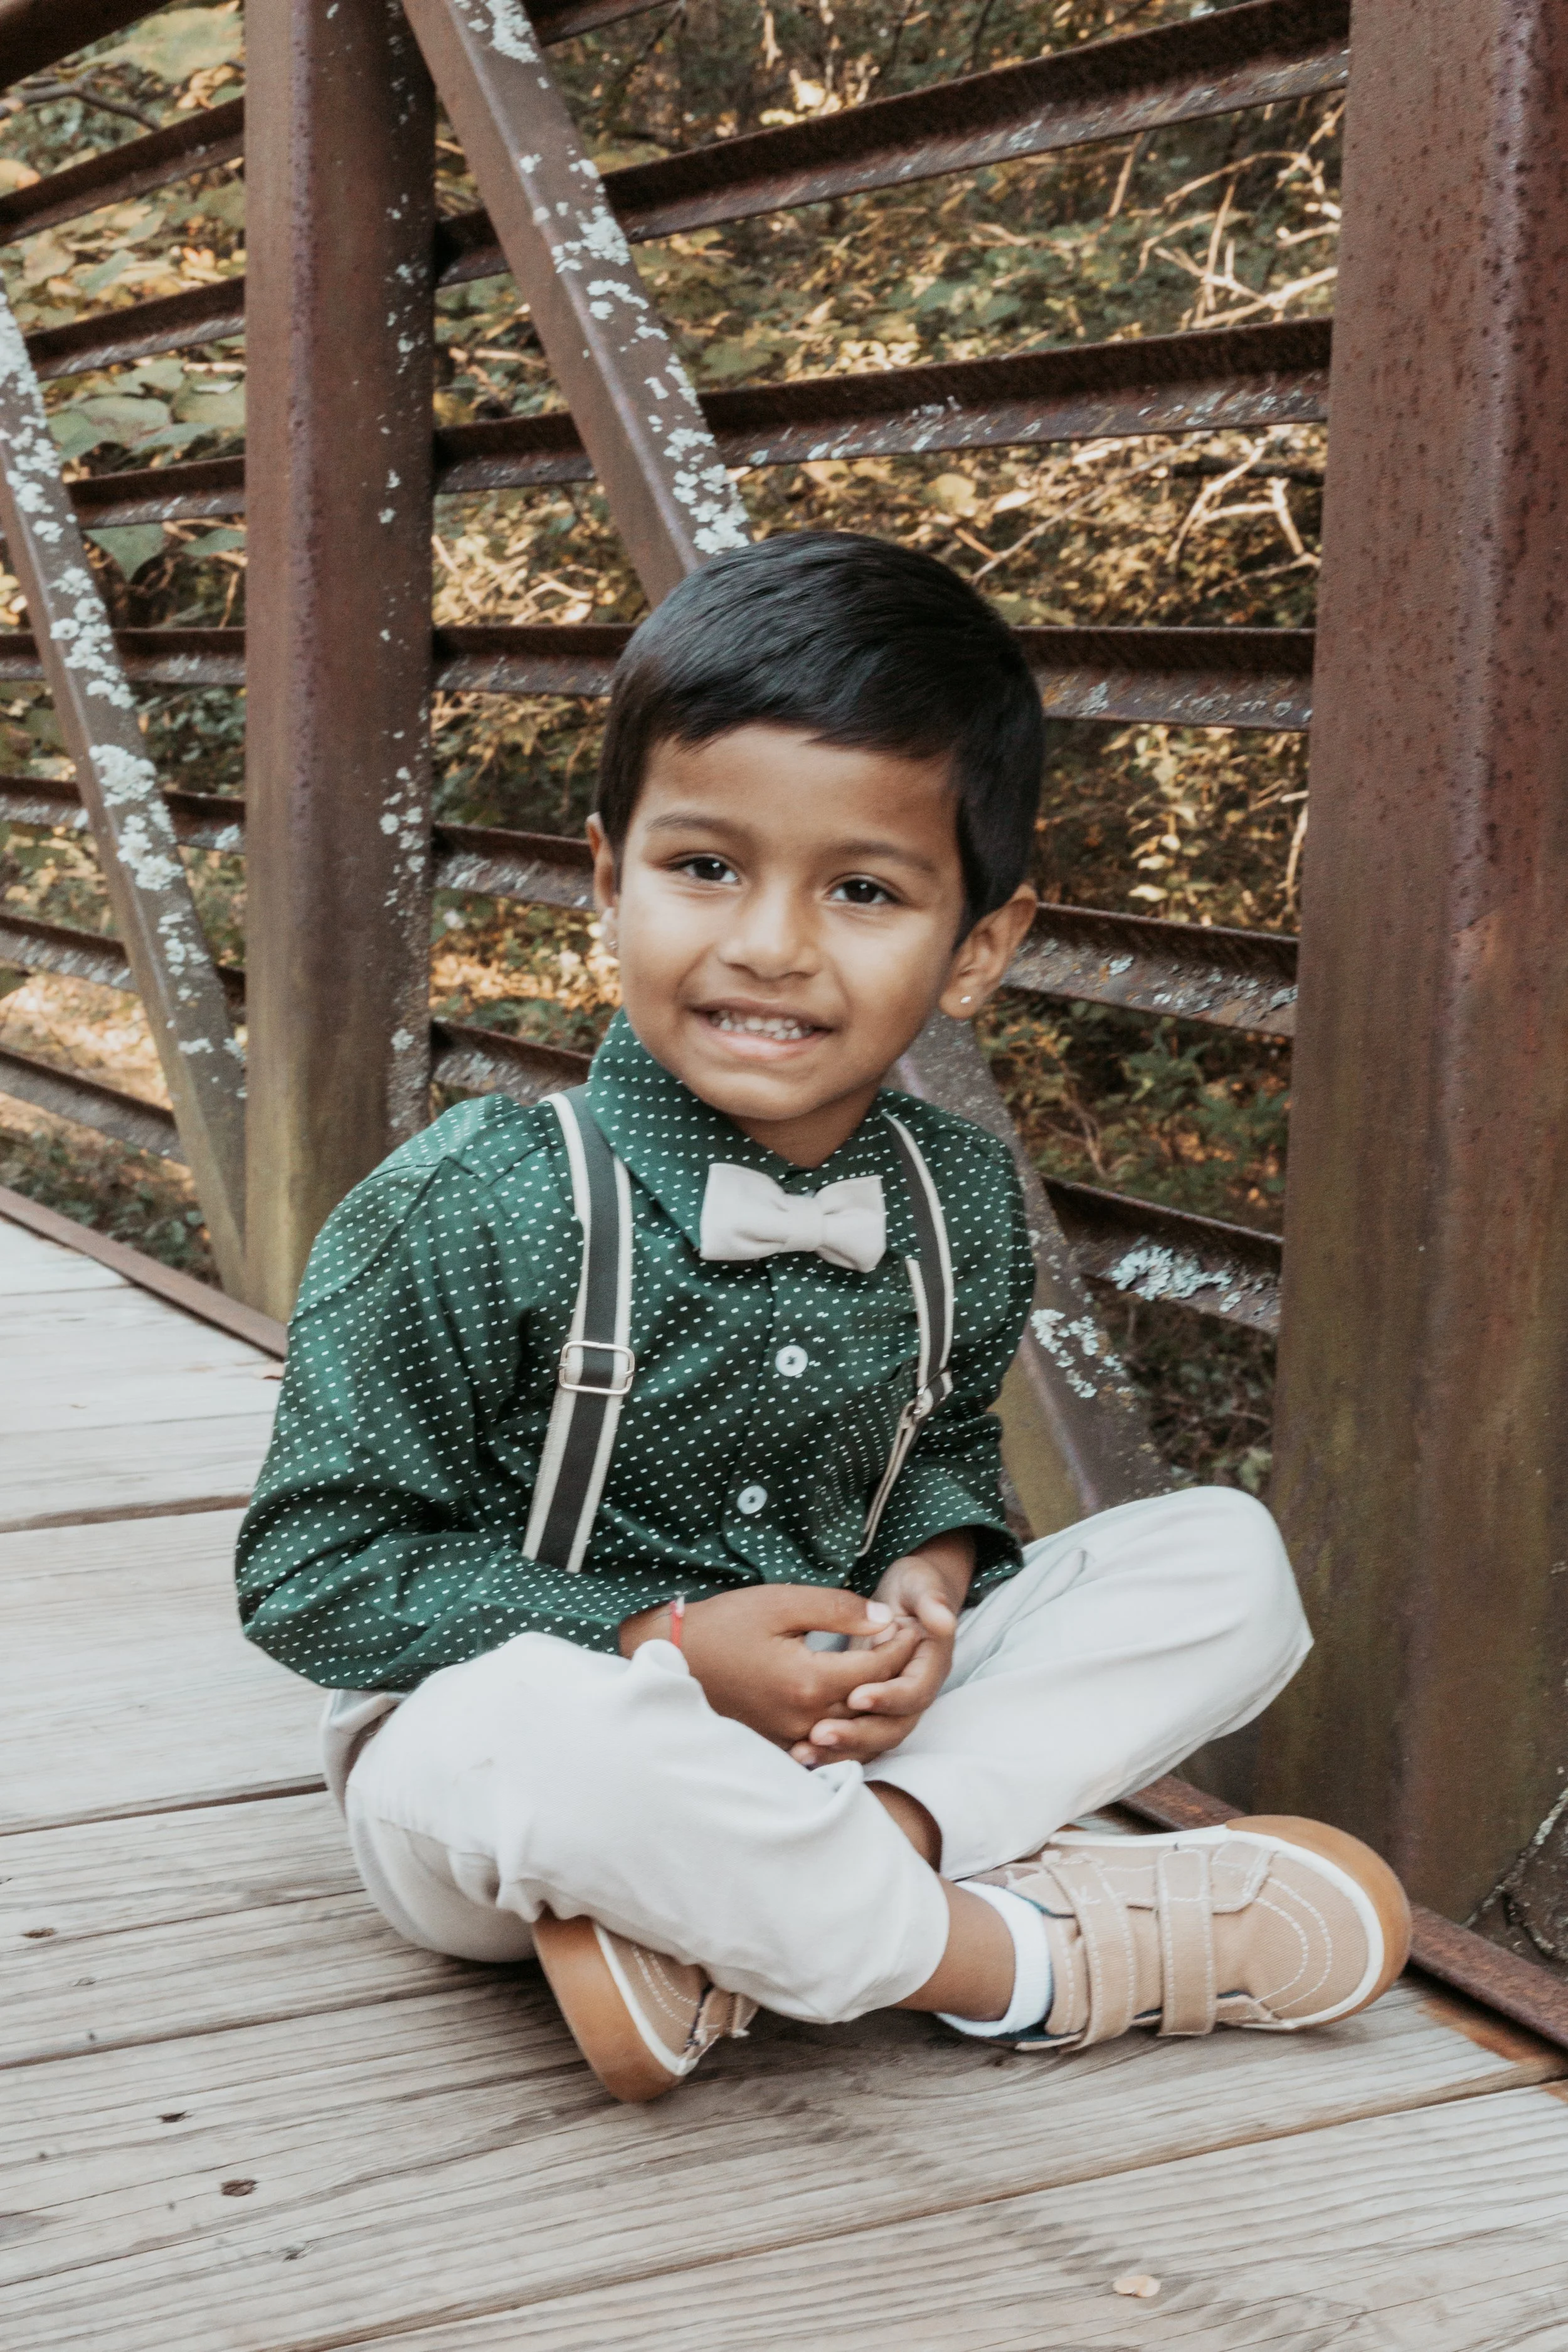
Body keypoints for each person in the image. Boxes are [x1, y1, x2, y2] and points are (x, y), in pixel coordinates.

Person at [236, 531, 1409, 2103]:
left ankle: (783, 1899)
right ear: (608, 877)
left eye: (860, 889)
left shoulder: (961, 1204)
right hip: (519, 1780)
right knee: (536, 1727)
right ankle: (1021, 1960)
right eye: (704, 867)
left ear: (977, 945)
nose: (769, 945)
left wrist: (931, 1573)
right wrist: (655, 1642)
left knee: (1219, 1561)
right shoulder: (480, 1198)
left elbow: (937, 1449)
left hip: (840, 1761)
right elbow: (311, 1576)